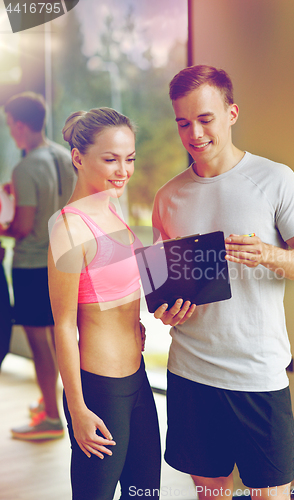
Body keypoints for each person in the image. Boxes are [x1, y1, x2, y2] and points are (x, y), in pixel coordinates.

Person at [152, 65, 294, 500]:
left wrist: (268, 254)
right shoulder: (168, 197)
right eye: (183, 122)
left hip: (259, 373)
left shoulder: (275, 179)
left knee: (271, 494)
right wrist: (164, 311)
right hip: (191, 371)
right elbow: (162, 289)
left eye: (205, 118)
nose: (194, 133)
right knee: (210, 493)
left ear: (232, 113)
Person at [48, 107, 161, 500]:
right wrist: (76, 409)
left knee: (144, 492)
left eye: (129, 159)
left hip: (137, 379)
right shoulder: (68, 227)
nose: (123, 171)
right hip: (100, 389)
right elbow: (62, 325)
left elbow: (121, 291)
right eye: (111, 159)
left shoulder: (113, 210)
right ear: (79, 158)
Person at [0, 91, 75, 439]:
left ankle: (51, 416)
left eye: (8, 123)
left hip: (32, 266)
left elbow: (22, 227)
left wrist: (3, 226)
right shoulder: (63, 157)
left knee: (40, 343)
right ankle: (53, 405)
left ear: (18, 124)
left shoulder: (26, 167)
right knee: (60, 338)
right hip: (63, 261)